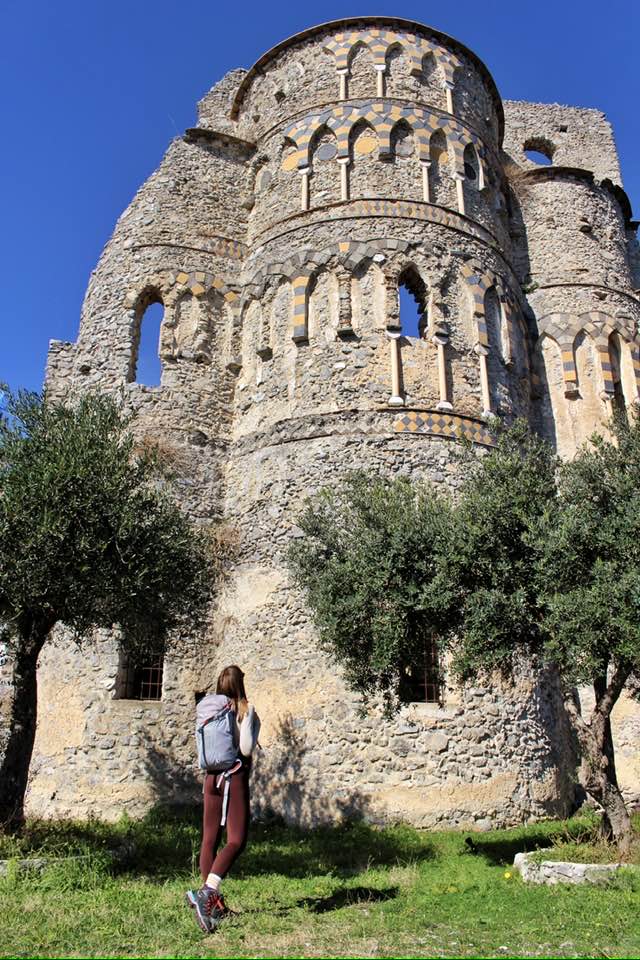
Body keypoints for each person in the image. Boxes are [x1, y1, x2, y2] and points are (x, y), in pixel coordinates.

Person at [186, 665, 260, 933]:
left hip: (210, 777)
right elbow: (246, 748)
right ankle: (208, 893)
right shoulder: (240, 708)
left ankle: (211, 903)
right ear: (240, 683)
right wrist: (253, 722)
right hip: (233, 777)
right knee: (236, 840)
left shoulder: (209, 707)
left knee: (209, 839)